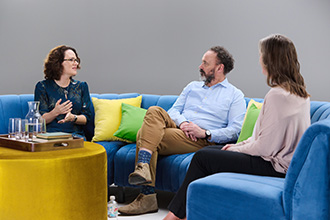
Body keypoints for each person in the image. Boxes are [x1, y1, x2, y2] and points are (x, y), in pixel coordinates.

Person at [163, 34, 311, 220]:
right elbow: (263, 138)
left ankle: (174, 216)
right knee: (215, 152)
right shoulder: (302, 94)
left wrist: (236, 148)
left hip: (273, 165)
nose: (259, 60)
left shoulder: (276, 95)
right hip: (284, 164)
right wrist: (237, 147)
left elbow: (264, 147)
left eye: (261, 55)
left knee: (202, 157)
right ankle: (187, 213)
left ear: (270, 60)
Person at [118, 46, 246, 215]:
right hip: (179, 129)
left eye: (205, 63)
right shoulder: (193, 87)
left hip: (200, 140)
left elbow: (235, 130)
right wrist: (184, 123)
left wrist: (205, 132)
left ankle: (147, 195)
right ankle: (143, 168)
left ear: (219, 68)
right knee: (155, 110)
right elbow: (173, 111)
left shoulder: (235, 95)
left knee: (144, 134)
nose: (200, 66)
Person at [34, 45, 92, 139]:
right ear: (58, 62)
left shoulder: (82, 86)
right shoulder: (43, 86)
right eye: (71, 60)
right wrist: (55, 112)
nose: (75, 63)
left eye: (76, 60)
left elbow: (86, 118)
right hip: (51, 137)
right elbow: (40, 120)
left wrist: (73, 118)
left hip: (76, 137)